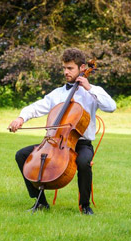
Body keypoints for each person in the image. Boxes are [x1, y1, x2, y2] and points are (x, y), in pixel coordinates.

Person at [8, 48, 116, 215]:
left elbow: (111, 107)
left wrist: (89, 88)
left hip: (82, 144)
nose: (66, 72)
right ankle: (40, 202)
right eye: (64, 68)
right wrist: (21, 118)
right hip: (56, 142)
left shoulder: (93, 91)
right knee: (21, 155)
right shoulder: (57, 94)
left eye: (70, 68)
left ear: (82, 68)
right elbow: (36, 107)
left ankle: (85, 206)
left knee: (84, 163)